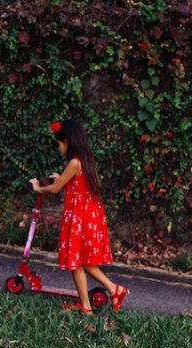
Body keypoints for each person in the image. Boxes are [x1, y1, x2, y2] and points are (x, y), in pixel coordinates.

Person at [29, 119, 129, 315]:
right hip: (89, 215)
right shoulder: (85, 160)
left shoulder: (74, 162)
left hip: (79, 217)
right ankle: (112, 291)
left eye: (59, 144)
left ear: (67, 141)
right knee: (84, 262)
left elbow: (56, 188)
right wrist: (61, 177)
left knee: (76, 261)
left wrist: (37, 187)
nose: (59, 148)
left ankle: (88, 305)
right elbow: (75, 184)